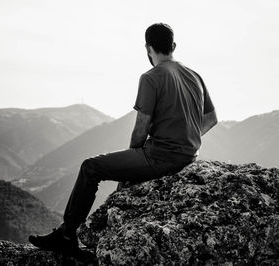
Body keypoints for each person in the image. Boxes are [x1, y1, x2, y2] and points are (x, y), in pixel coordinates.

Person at [29, 23, 217, 253]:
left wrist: (129, 166)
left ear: (147, 48)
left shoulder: (151, 77)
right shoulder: (194, 75)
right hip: (189, 157)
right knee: (92, 167)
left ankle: (67, 235)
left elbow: (141, 128)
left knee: (90, 167)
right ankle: (66, 234)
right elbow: (211, 118)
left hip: (161, 157)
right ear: (173, 46)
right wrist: (186, 138)